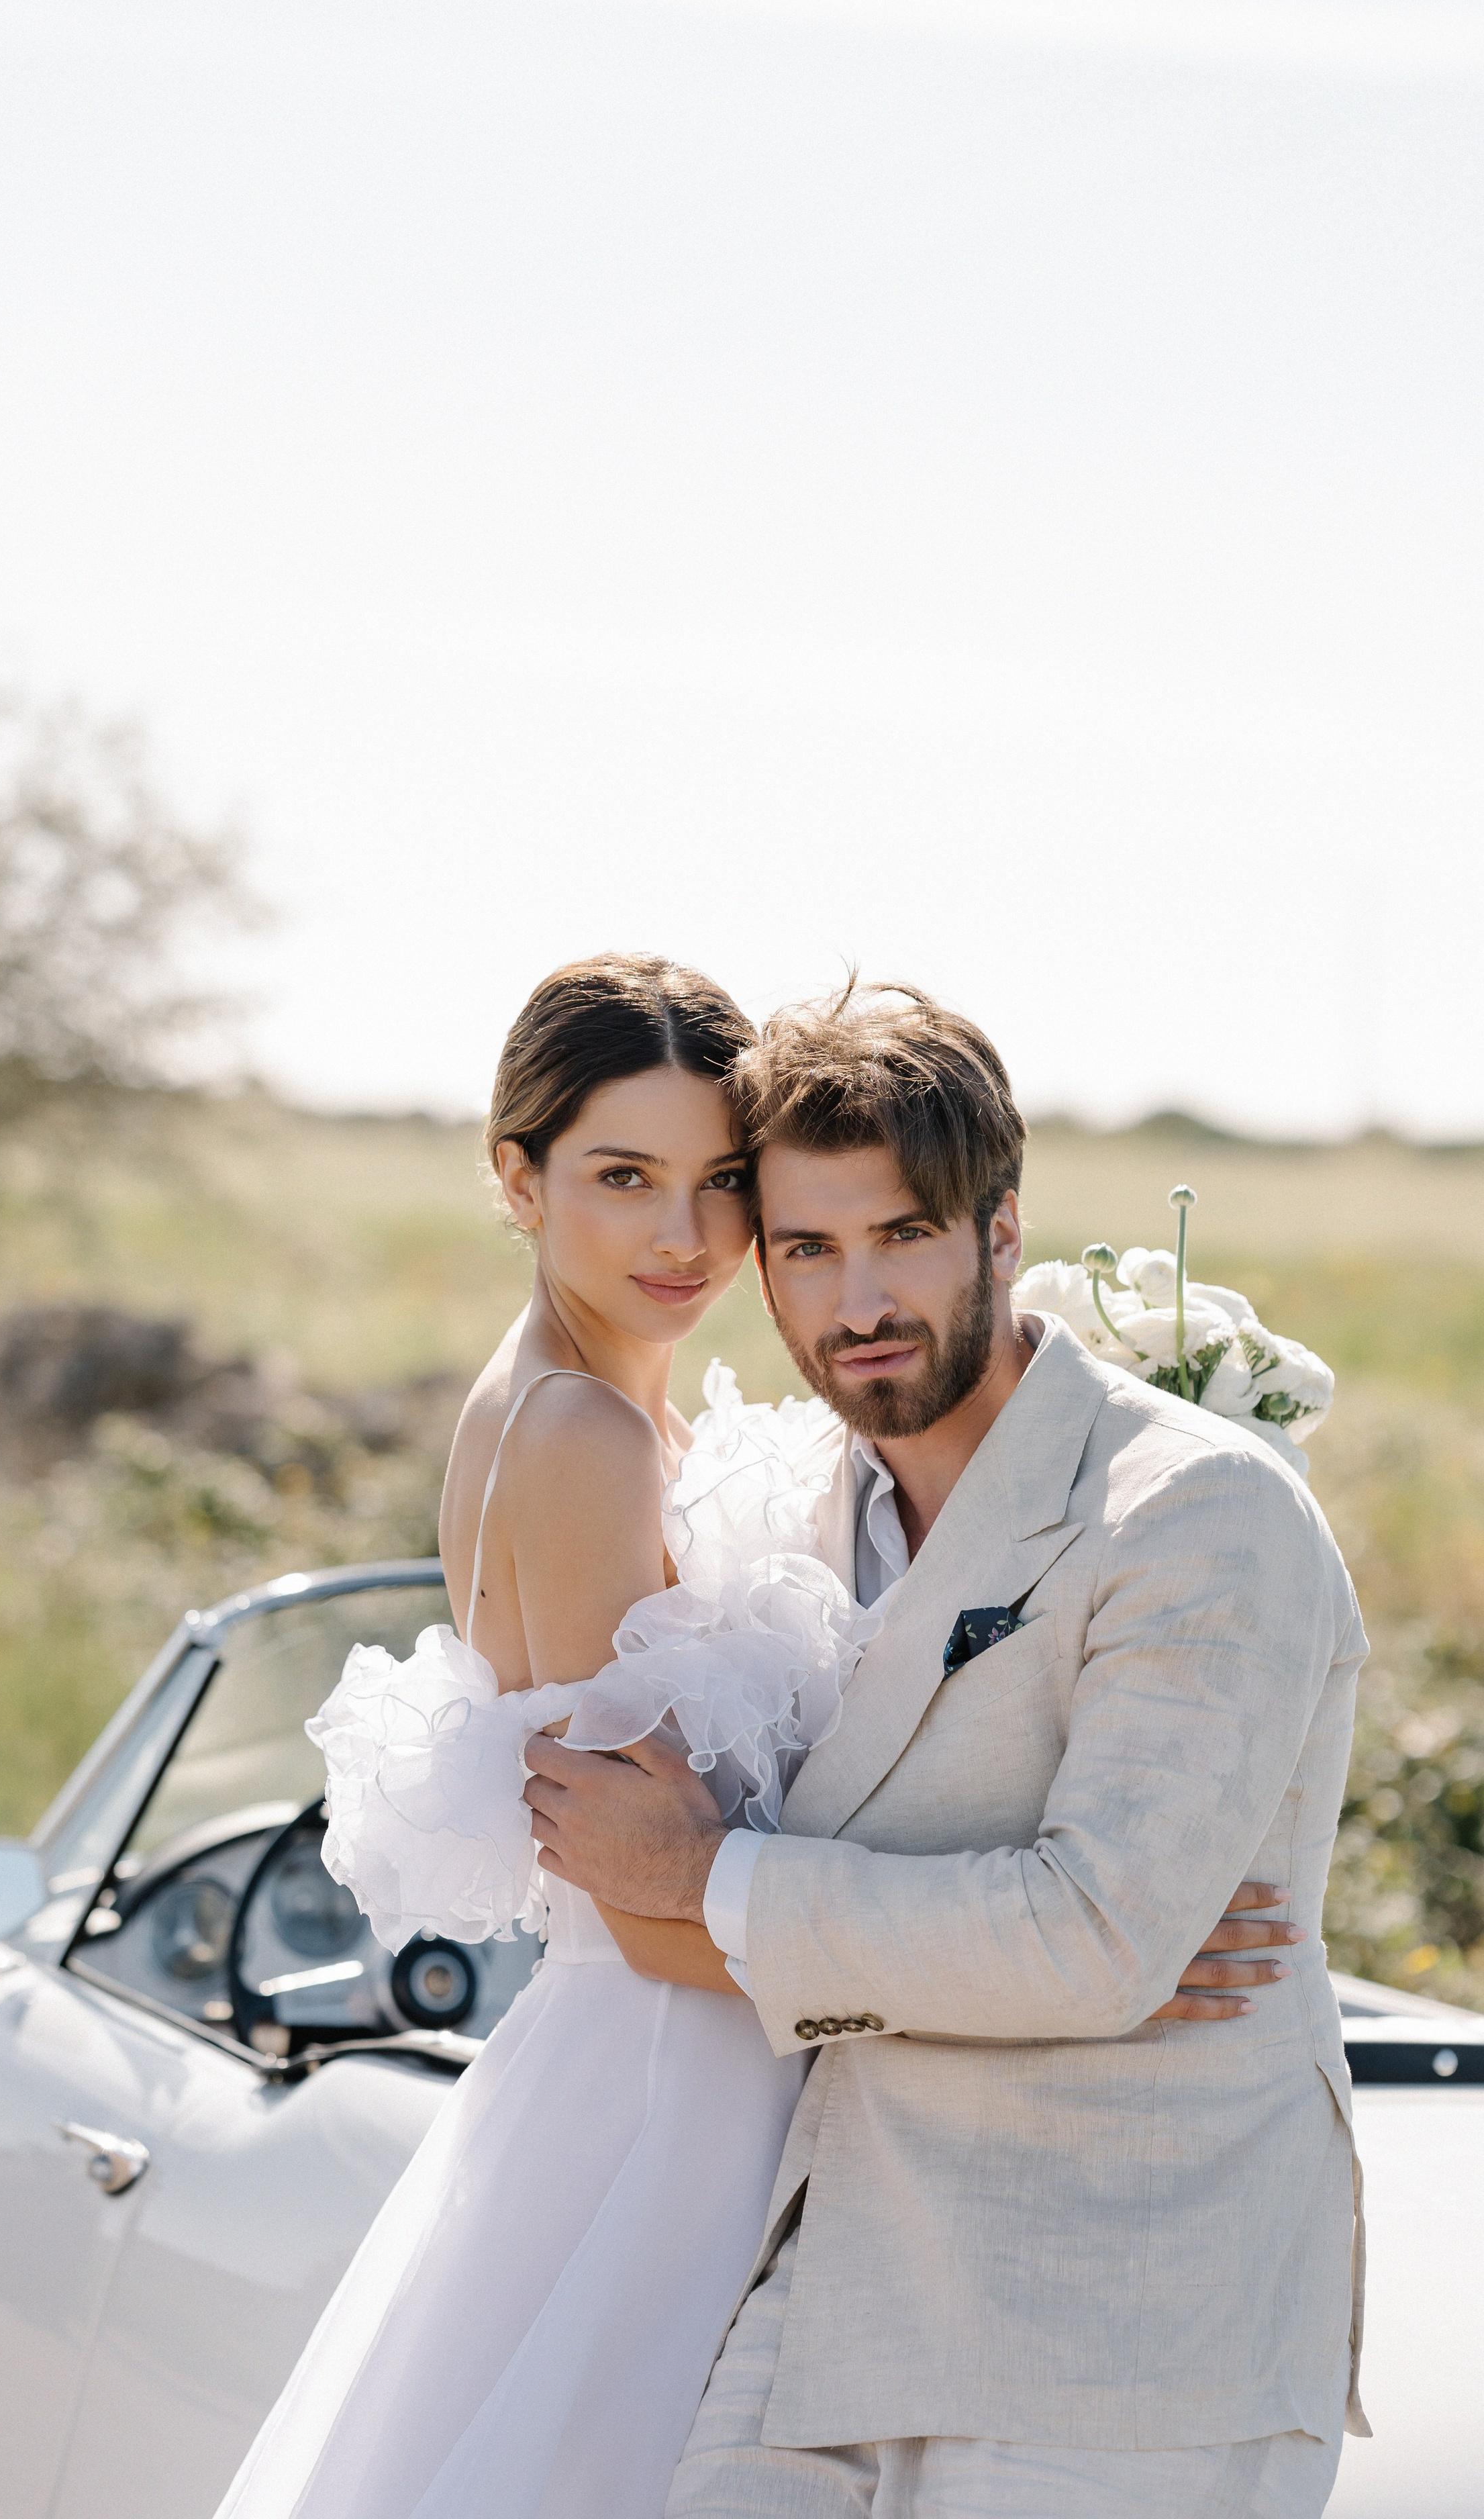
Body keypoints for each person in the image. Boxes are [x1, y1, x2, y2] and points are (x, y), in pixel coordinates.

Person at [216, 957, 1304, 2519]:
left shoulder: (631, 1416)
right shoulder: (578, 1437)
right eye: (620, 1179)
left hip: (755, 2073)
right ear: (514, 1180)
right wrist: (1084, 1987)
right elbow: (650, 1911)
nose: (683, 1237)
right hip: (671, 2097)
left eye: (719, 1183)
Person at [527, 978, 1369, 2519]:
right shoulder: (780, 1516)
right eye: (806, 1249)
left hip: (1118, 2342)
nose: (856, 1304)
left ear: (998, 1230)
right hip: (819, 2302)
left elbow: (1092, 1944)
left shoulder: (1195, 1512)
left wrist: (710, 1877)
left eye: (901, 1234)